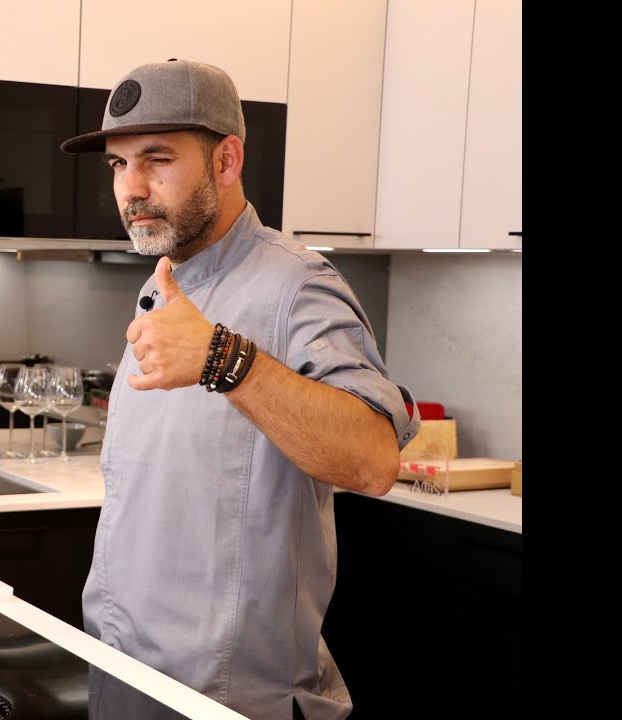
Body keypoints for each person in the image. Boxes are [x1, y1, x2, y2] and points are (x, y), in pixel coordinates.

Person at [60, 60, 421, 720]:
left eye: (156, 159)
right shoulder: (167, 281)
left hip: (227, 700)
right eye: (117, 164)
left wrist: (225, 360)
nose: (130, 189)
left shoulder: (298, 286)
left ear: (226, 161)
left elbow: (374, 460)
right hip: (122, 673)